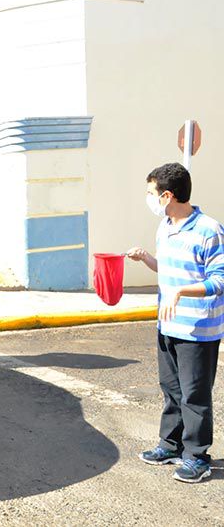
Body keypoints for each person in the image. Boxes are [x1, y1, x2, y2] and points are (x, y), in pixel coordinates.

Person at [127, 162, 223, 484]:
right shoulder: (165, 226)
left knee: (194, 395)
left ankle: (197, 457)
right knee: (171, 390)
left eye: (151, 193)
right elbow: (169, 269)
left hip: (197, 329)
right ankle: (170, 446)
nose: (149, 199)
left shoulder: (209, 230)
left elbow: (219, 280)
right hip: (167, 325)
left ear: (167, 195)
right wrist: (146, 258)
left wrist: (181, 291)